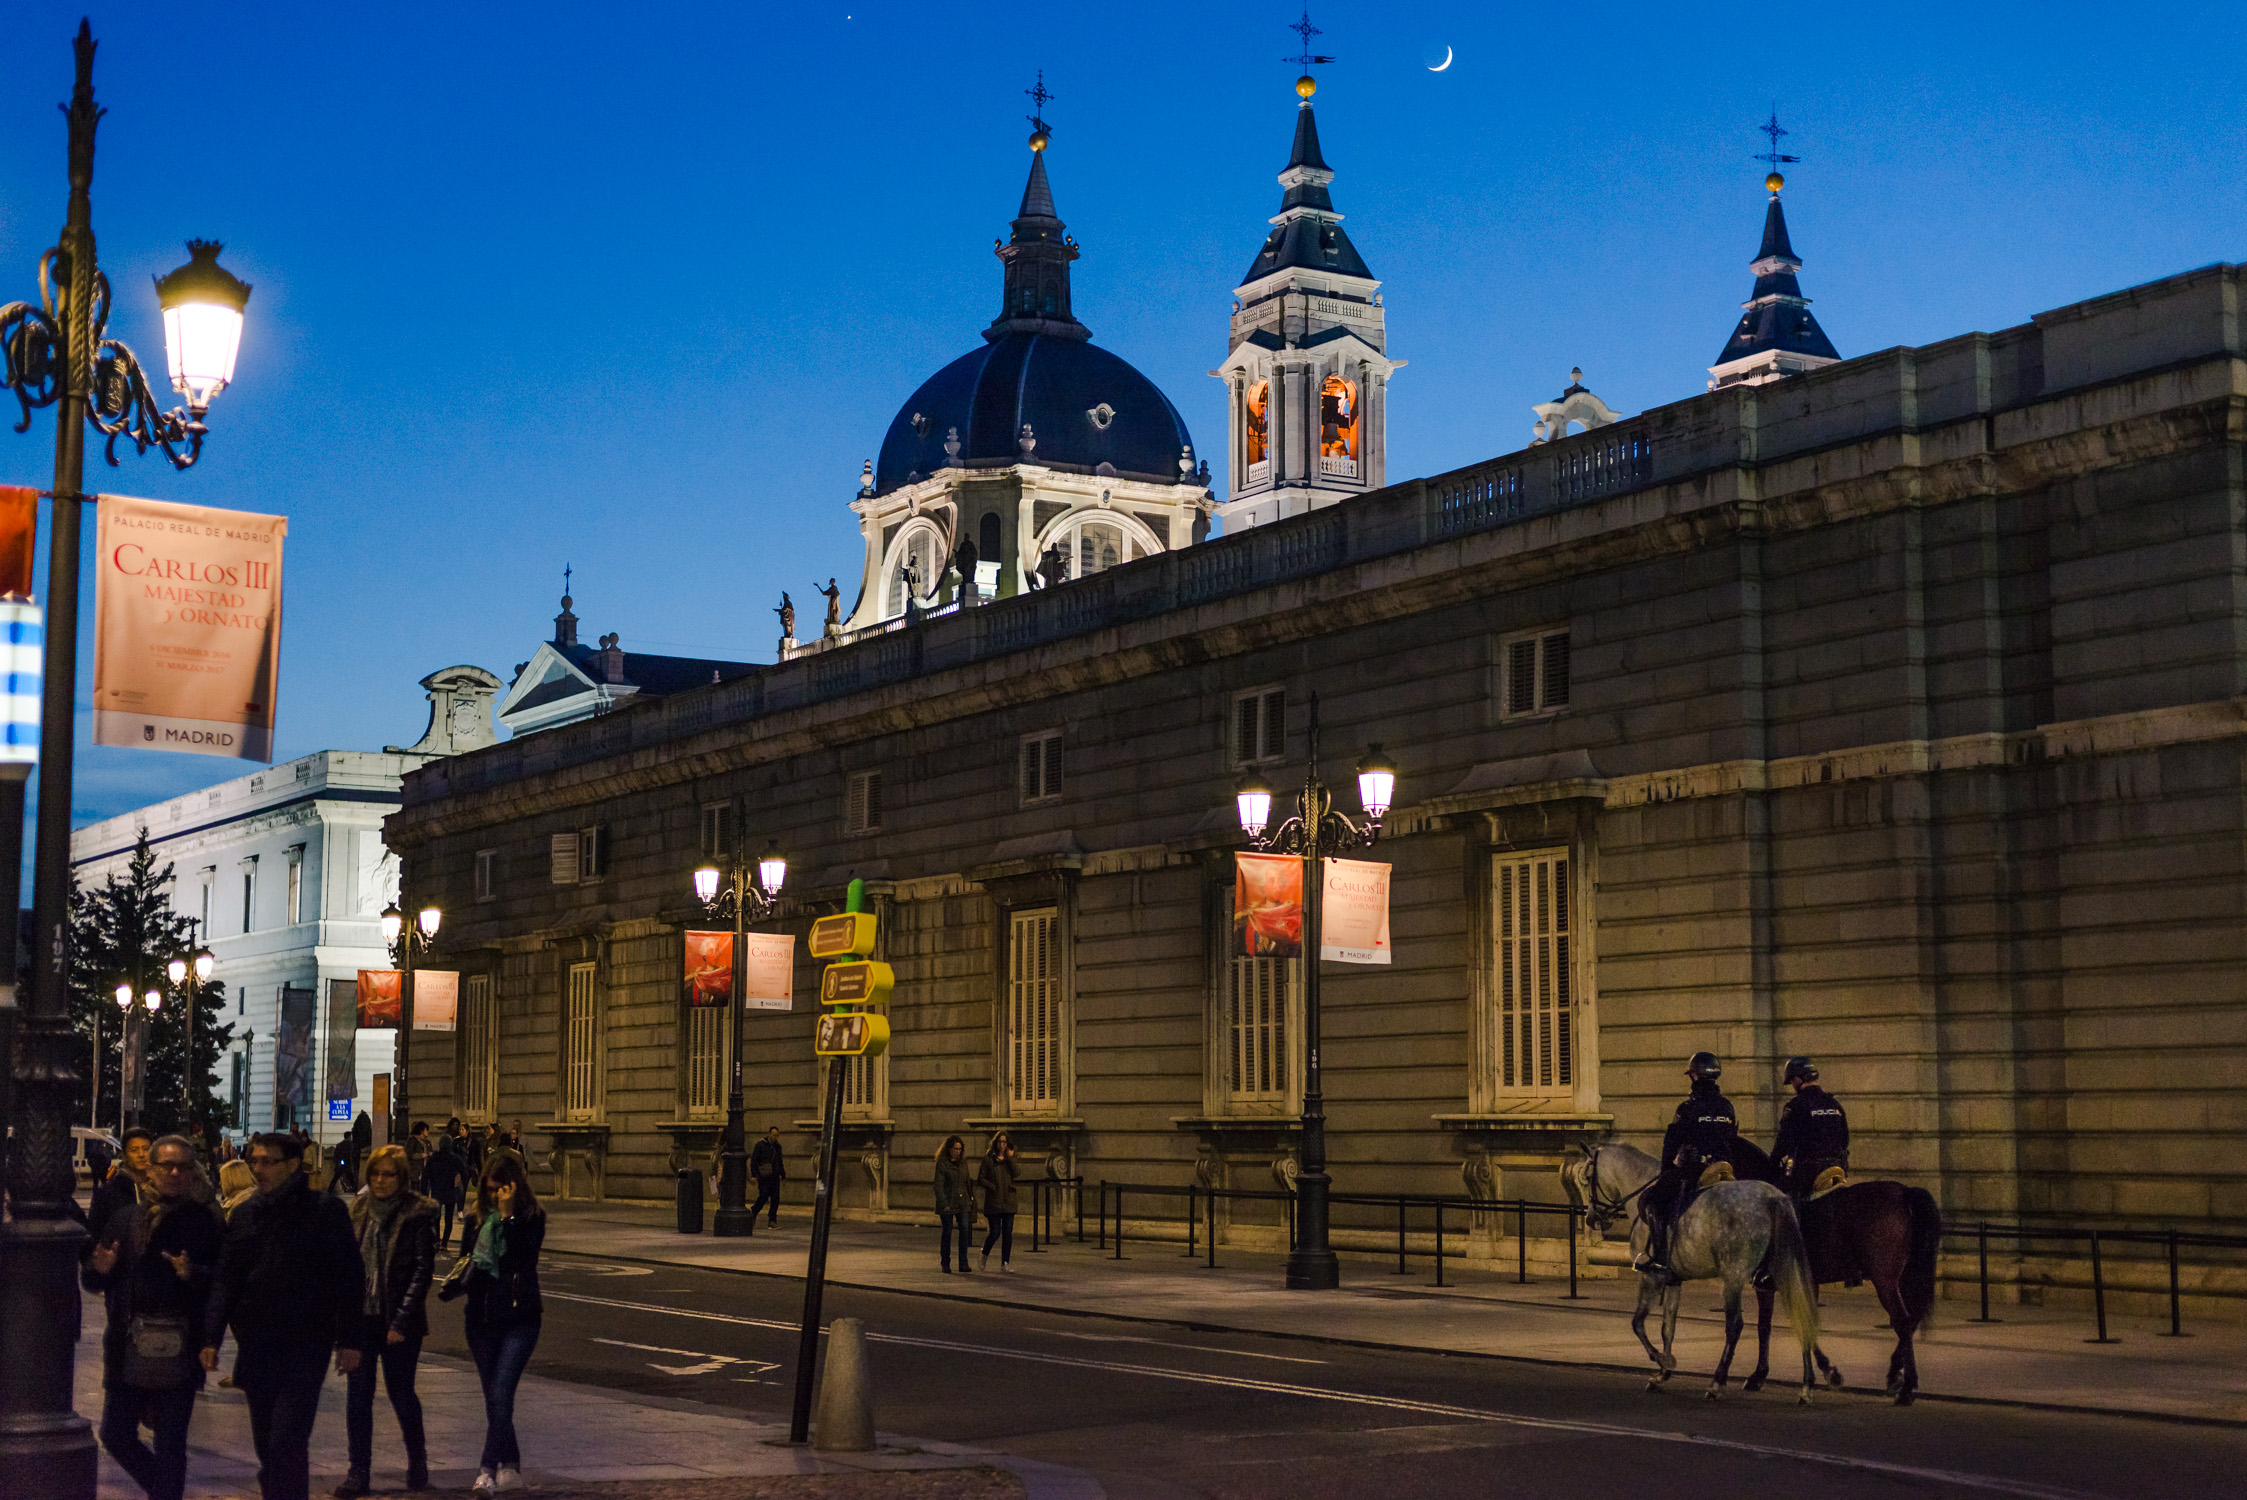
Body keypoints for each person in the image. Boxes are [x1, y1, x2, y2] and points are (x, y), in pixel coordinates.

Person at [201, 1131, 365, 1500]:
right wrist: (211, 1337)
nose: (258, 1169)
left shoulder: (324, 1211)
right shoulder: (245, 1214)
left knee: (287, 1439)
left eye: (267, 1161)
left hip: (306, 1342)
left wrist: (350, 1339)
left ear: (293, 1165)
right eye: (253, 1160)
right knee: (265, 1441)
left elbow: (349, 1278)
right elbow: (227, 1279)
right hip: (257, 1343)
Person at [84, 1133, 222, 1500]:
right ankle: (165, 1493)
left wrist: (193, 1274)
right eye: (167, 1165)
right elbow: (94, 1279)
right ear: (150, 1169)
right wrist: (100, 1269)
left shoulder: (204, 1222)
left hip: (178, 1345)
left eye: (183, 1166)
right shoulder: (125, 1218)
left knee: (171, 1441)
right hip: (127, 1343)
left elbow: (222, 1283)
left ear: (193, 1173)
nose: (175, 1172)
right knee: (115, 1434)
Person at [337, 1145, 438, 1497]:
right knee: (358, 1396)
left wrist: (401, 1321)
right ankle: (358, 1472)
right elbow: (347, 1267)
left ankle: (418, 1459)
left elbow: (422, 1270)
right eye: (375, 1173)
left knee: (401, 1393)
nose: (380, 1180)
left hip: (398, 1320)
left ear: (402, 1177)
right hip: (363, 1318)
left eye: (388, 1174)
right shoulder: (359, 1209)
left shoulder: (417, 1213)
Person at [456, 1155, 546, 1495]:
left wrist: (507, 1218)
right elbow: (469, 1264)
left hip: (519, 1319)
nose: (495, 1197)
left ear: (514, 1188)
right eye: (490, 1191)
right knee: (495, 1399)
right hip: (480, 1320)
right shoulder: (475, 1221)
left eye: (501, 1190)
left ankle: (485, 1470)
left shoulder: (532, 1218)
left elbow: (521, 1257)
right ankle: (510, 1466)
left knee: (501, 1394)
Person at [1636, 1052, 1739, 1281]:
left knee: (1652, 1202)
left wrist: (1666, 1170)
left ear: (1694, 1076)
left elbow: (1671, 1142)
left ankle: (1661, 1259)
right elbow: (1733, 1138)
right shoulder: (1727, 1107)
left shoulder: (1687, 1108)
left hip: (1694, 1171)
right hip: (1724, 1169)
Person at [1773, 1056, 1850, 1198]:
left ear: (1797, 1079)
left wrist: (1772, 1163)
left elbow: (1784, 1143)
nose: (1792, 1084)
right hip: (1837, 1167)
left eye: (1791, 1080)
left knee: (1784, 1198)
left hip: (1809, 1171)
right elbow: (1845, 1139)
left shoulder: (1795, 1106)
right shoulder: (1834, 1103)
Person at [88, 1126, 157, 1249]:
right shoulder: (108, 1192)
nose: (141, 1154)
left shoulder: (161, 1189)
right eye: (134, 1150)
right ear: (124, 1156)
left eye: (146, 1149)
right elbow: (95, 1234)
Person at [976, 1132, 1019, 1272]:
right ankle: (984, 1254)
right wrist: (992, 1186)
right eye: (1000, 1142)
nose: (1002, 1145)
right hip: (994, 1201)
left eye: (1005, 1142)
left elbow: (1017, 1173)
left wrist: (1011, 1159)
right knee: (995, 1232)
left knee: (1008, 1233)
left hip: (1008, 1200)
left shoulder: (1009, 1159)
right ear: (995, 1143)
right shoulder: (989, 1159)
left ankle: (1005, 1263)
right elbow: (981, 1178)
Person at [934, 1136, 974, 1273]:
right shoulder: (942, 1164)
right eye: (955, 1149)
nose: (957, 1151)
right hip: (948, 1202)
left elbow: (967, 1182)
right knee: (947, 1231)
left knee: (964, 1230)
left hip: (962, 1202)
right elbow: (938, 1186)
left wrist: (971, 1199)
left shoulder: (963, 1163)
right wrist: (943, 1202)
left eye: (959, 1149)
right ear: (949, 1149)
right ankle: (945, 1262)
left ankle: (963, 1262)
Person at [422, 1129, 468, 1248]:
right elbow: (465, 1173)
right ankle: (445, 1243)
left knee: (436, 1218)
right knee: (448, 1219)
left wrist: (424, 1192)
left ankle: (437, 1240)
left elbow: (425, 1175)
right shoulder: (455, 1158)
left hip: (437, 1190)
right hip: (450, 1191)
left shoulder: (434, 1158)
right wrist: (459, 1181)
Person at [749, 1126, 786, 1227]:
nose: (775, 1137)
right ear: (769, 1134)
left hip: (774, 1176)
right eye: (774, 1135)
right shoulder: (761, 1145)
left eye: (777, 1135)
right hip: (764, 1176)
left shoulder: (778, 1147)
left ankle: (772, 1220)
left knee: (775, 1198)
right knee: (764, 1196)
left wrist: (783, 1175)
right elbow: (754, 1160)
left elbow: (780, 1162)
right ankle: (754, 1210)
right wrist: (754, 1175)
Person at [405, 1121, 433, 1192]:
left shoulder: (427, 1142)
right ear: (421, 1131)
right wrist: (420, 1155)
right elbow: (408, 1154)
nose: (427, 1132)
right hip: (415, 1172)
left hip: (426, 1171)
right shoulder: (412, 1141)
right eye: (426, 1130)